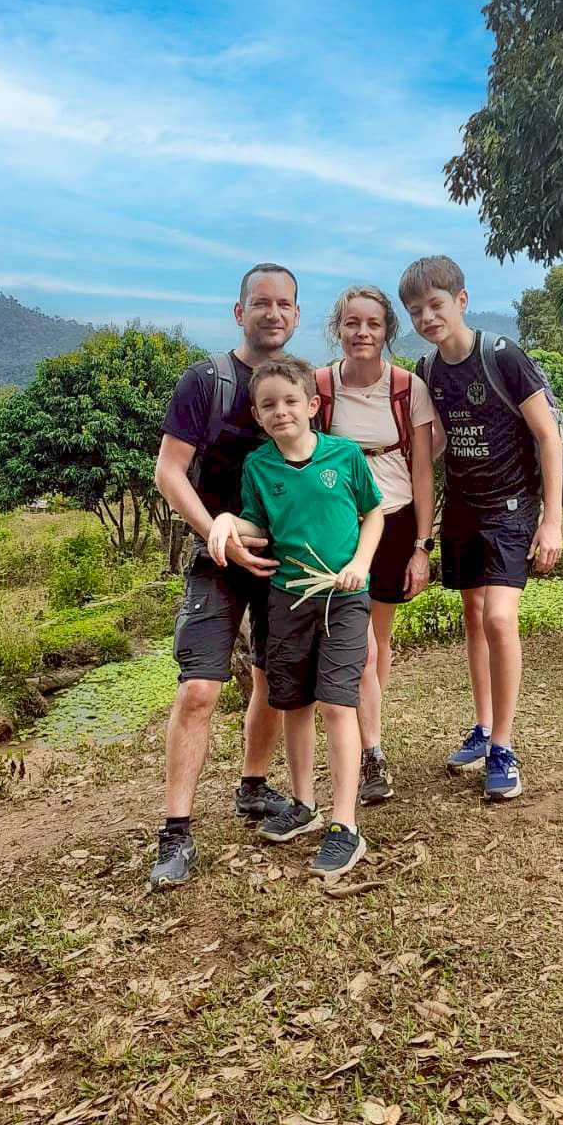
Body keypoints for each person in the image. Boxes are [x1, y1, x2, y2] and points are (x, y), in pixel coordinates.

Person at [148, 264, 300, 889]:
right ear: (239, 312)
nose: (272, 313)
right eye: (260, 303)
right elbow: (169, 471)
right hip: (217, 560)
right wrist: (217, 531)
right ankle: (175, 831)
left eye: (284, 304)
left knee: (270, 678)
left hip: (282, 561)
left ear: (295, 314)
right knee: (200, 689)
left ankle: (253, 788)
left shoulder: (301, 384)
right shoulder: (205, 381)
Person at [207, 356, 384, 879]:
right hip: (288, 599)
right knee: (294, 702)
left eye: (290, 401)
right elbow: (257, 524)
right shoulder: (259, 466)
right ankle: (304, 806)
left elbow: (373, 512)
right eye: (268, 405)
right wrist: (224, 522)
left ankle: (345, 825)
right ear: (258, 417)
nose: (280, 411)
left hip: (343, 598)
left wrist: (360, 564)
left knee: (336, 702)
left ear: (312, 405)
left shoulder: (345, 456)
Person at [397, 255, 563, 801]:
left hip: (512, 507)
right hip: (464, 508)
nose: (427, 317)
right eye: (416, 310)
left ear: (461, 301)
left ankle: (505, 748)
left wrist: (553, 519)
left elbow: (546, 436)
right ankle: (484, 725)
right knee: (472, 614)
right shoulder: (429, 372)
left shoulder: (501, 356)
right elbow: (439, 441)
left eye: (436, 305)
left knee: (498, 616)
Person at [315, 285, 437, 804]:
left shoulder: (408, 387)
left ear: (388, 331)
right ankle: (369, 751)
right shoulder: (319, 386)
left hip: (393, 519)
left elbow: (424, 470)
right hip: (336, 526)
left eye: (373, 324)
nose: (362, 333)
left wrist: (422, 545)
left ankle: (369, 744)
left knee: (376, 644)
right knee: (360, 648)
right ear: (337, 328)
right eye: (351, 323)